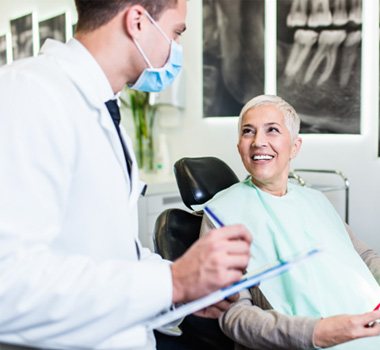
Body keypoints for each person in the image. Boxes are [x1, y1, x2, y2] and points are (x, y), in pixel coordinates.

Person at [0, 1, 252, 349]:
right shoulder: (29, 94)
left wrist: (182, 294)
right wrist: (173, 282)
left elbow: (116, 253)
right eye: (176, 32)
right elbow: (8, 285)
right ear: (137, 21)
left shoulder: (102, 108)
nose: (175, 49)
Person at [200, 95, 380, 349]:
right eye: (248, 132)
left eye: (272, 130)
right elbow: (235, 316)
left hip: (367, 323)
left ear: (295, 146)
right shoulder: (222, 213)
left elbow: (362, 256)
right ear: (239, 145)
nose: (258, 142)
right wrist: (316, 332)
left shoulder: (315, 200)